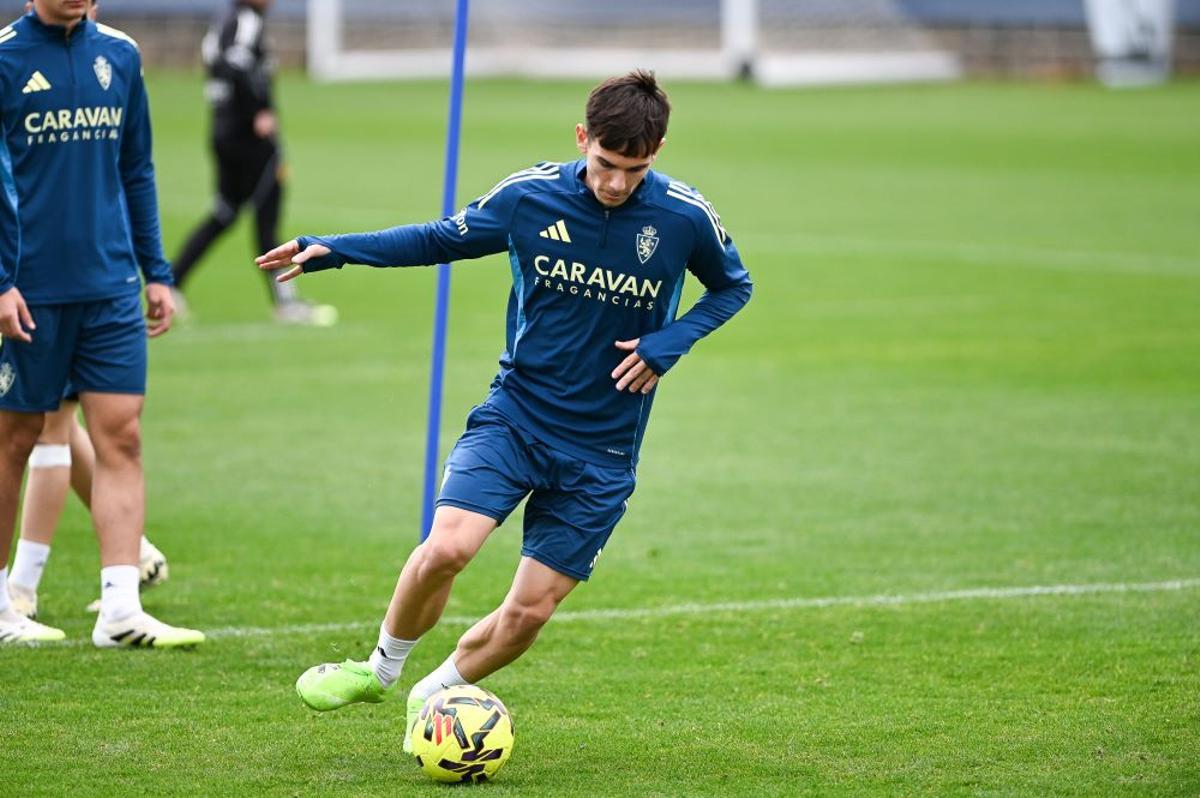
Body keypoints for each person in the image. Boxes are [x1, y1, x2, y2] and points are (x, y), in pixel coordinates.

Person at [257, 71, 751, 749]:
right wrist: (338, 251)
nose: (614, 183)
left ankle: (434, 698)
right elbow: (440, 238)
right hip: (516, 418)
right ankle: (380, 670)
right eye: (604, 164)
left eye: (631, 170)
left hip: (602, 452)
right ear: (583, 139)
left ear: (656, 152)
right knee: (447, 550)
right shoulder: (529, 197)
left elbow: (733, 287)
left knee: (529, 612)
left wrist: (672, 340)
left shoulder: (685, 216)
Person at [0, 0, 204, 647]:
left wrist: (156, 270)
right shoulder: (5, 59)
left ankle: (119, 607)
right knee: (13, 440)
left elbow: (136, 167)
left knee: (122, 436)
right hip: (29, 291)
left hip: (111, 288)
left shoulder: (121, 54)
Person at [171, 0, 335, 326]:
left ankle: (172, 283)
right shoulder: (244, 21)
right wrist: (259, 108)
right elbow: (237, 62)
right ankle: (286, 302)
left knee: (225, 213)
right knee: (267, 210)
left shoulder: (226, 20)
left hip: (223, 131)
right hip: (247, 138)